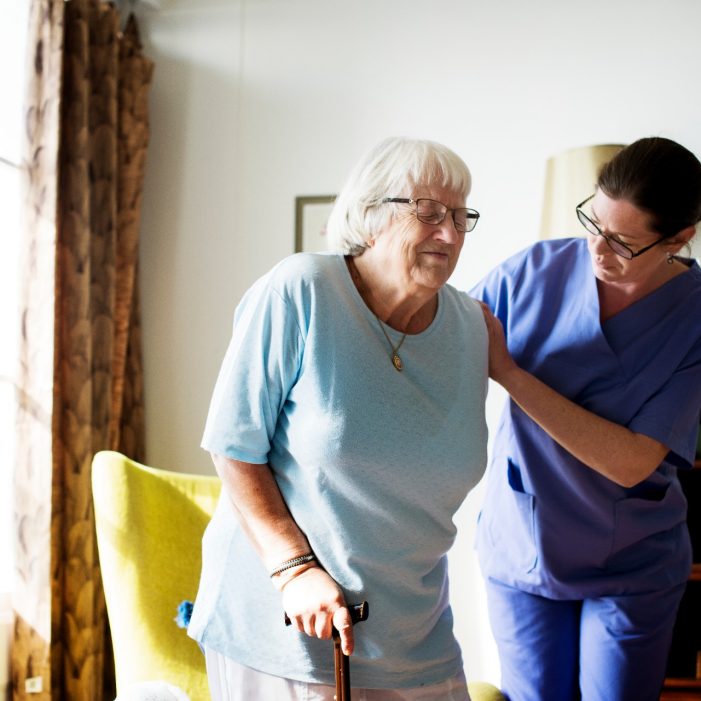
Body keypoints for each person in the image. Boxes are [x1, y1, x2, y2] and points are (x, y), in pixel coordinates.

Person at [188, 137, 489, 700]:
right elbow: (233, 444)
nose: (449, 234)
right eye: (427, 213)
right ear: (371, 216)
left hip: (418, 631)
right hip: (295, 622)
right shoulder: (301, 290)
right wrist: (294, 569)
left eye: (459, 215)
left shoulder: (472, 324)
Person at [471, 136, 701, 701]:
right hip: (522, 544)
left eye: (622, 242)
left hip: (632, 565)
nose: (597, 250)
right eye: (592, 222)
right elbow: (438, 352)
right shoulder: (532, 270)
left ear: (679, 239)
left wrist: (513, 376)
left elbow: (630, 461)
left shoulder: (695, 318)